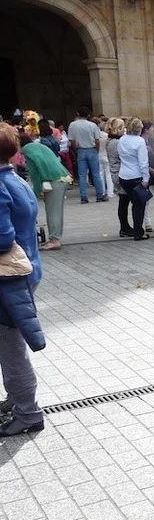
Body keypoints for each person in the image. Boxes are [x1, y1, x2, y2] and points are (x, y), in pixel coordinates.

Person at [0, 125, 46, 436]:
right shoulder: (15, 179)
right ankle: (17, 399)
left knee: (10, 348)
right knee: (9, 344)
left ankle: (28, 412)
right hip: (27, 269)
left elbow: (3, 238)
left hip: (9, 278)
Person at [20, 133, 72, 251]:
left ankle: (55, 240)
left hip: (53, 179)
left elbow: (39, 165)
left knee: (53, 211)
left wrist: (43, 182)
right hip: (61, 177)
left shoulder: (28, 149)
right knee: (56, 210)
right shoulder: (37, 146)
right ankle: (55, 238)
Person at [116, 118, 152, 241]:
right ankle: (138, 232)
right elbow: (143, 162)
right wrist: (146, 178)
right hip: (136, 176)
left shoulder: (122, 140)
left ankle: (135, 230)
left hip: (124, 175)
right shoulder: (140, 141)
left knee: (132, 202)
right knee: (139, 205)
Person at [67, 106, 106, 203]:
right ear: (88, 115)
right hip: (92, 149)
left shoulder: (73, 125)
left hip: (80, 150)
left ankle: (83, 196)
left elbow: (72, 141)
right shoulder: (93, 125)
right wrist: (96, 150)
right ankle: (100, 195)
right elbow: (97, 140)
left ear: (78, 114)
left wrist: (76, 149)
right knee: (96, 174)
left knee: (82, 175)